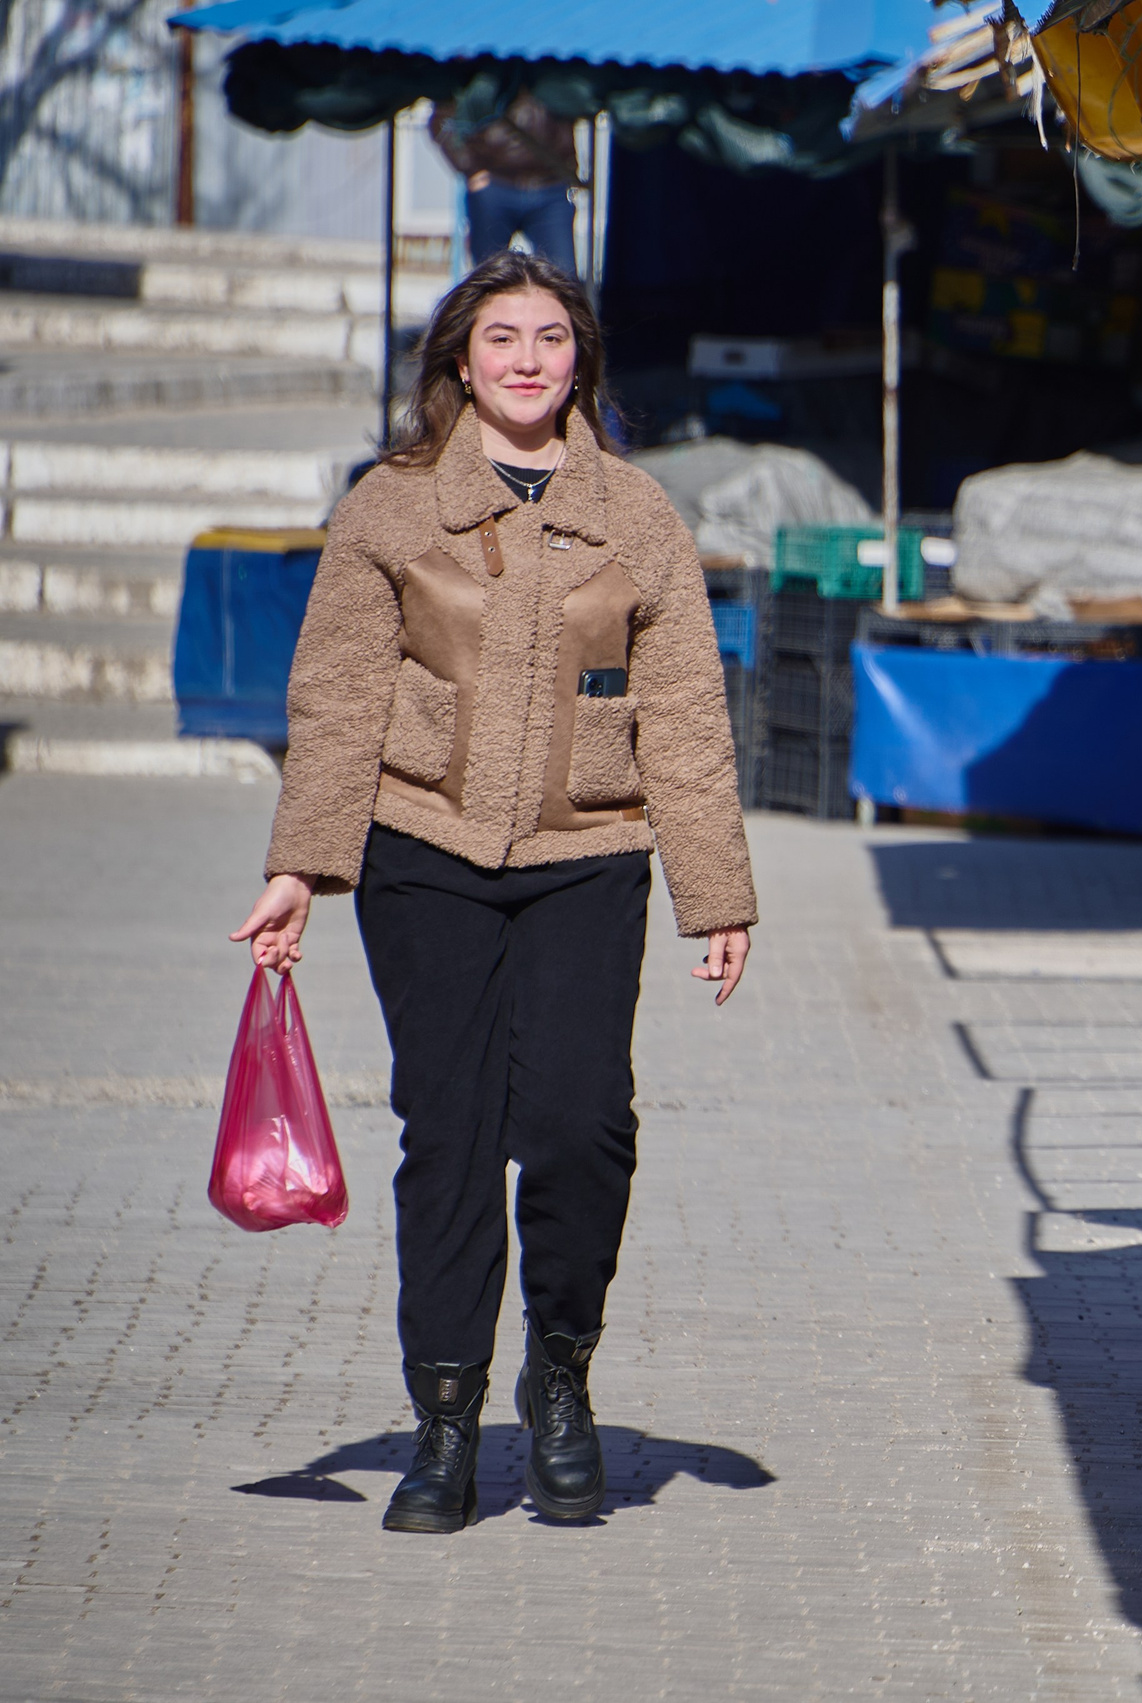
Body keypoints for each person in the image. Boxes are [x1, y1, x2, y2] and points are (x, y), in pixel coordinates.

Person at [230, 250, 757, 1535]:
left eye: (552, 339)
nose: (528, 361)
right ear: (458, 363)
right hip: (424, 849)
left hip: (588, 851)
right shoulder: (389, 507)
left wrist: (717, 889)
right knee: (450, 1128)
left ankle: (560, 1373)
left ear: (582, 361)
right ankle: (449, 1414)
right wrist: (300, 864)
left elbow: (683, 709)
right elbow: (339, 691)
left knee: (581, 1122)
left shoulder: (638, 515)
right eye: (501, 338)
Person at [432, 93, 582, 270]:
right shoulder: (483, 75)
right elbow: (441, 120)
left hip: (551, 186)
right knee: (488, 277)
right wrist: (471, 170)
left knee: (563, 277)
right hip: (495, 186)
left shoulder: (554, 72)